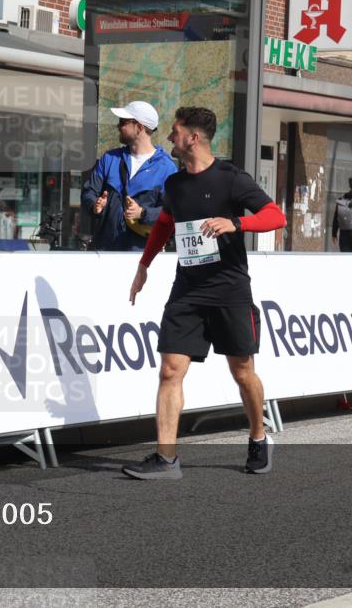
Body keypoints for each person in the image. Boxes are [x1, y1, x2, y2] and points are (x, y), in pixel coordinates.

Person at [123, 106, 286, 479]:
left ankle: (259, 437)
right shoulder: (175, 185)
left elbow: (275, 216)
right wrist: (144, 265)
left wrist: (235, 222)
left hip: (229, 289)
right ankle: (167, 459)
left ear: (192, 138)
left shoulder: (231, 178)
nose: (169, 138)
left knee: (243, 372)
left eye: (175, 131)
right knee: (169, 370)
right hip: (188, 290)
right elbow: (165, 223)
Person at [81, 101, 177, 250]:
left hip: (142, 256)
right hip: (104, 252)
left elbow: (173, 213)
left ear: (139, 127)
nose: (118, 126)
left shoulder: (166, 168)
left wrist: (143, 213)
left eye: (123, 122)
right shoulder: (109, 159)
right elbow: (89, 191)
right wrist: (94, 205)